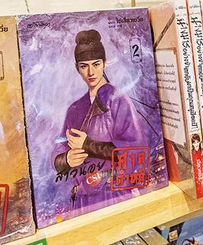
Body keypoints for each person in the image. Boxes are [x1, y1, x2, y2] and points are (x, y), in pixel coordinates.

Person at [53, 29, 145, 212]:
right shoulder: (74, 109)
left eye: (96, 64)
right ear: (77, 69)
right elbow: (60, 147)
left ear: (104, 64)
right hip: (83, 200)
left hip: (115, 194)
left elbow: (135, 150)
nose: (91, 72)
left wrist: (89, 145)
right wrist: (66, 159)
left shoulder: (118, 99)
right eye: (84, 66)